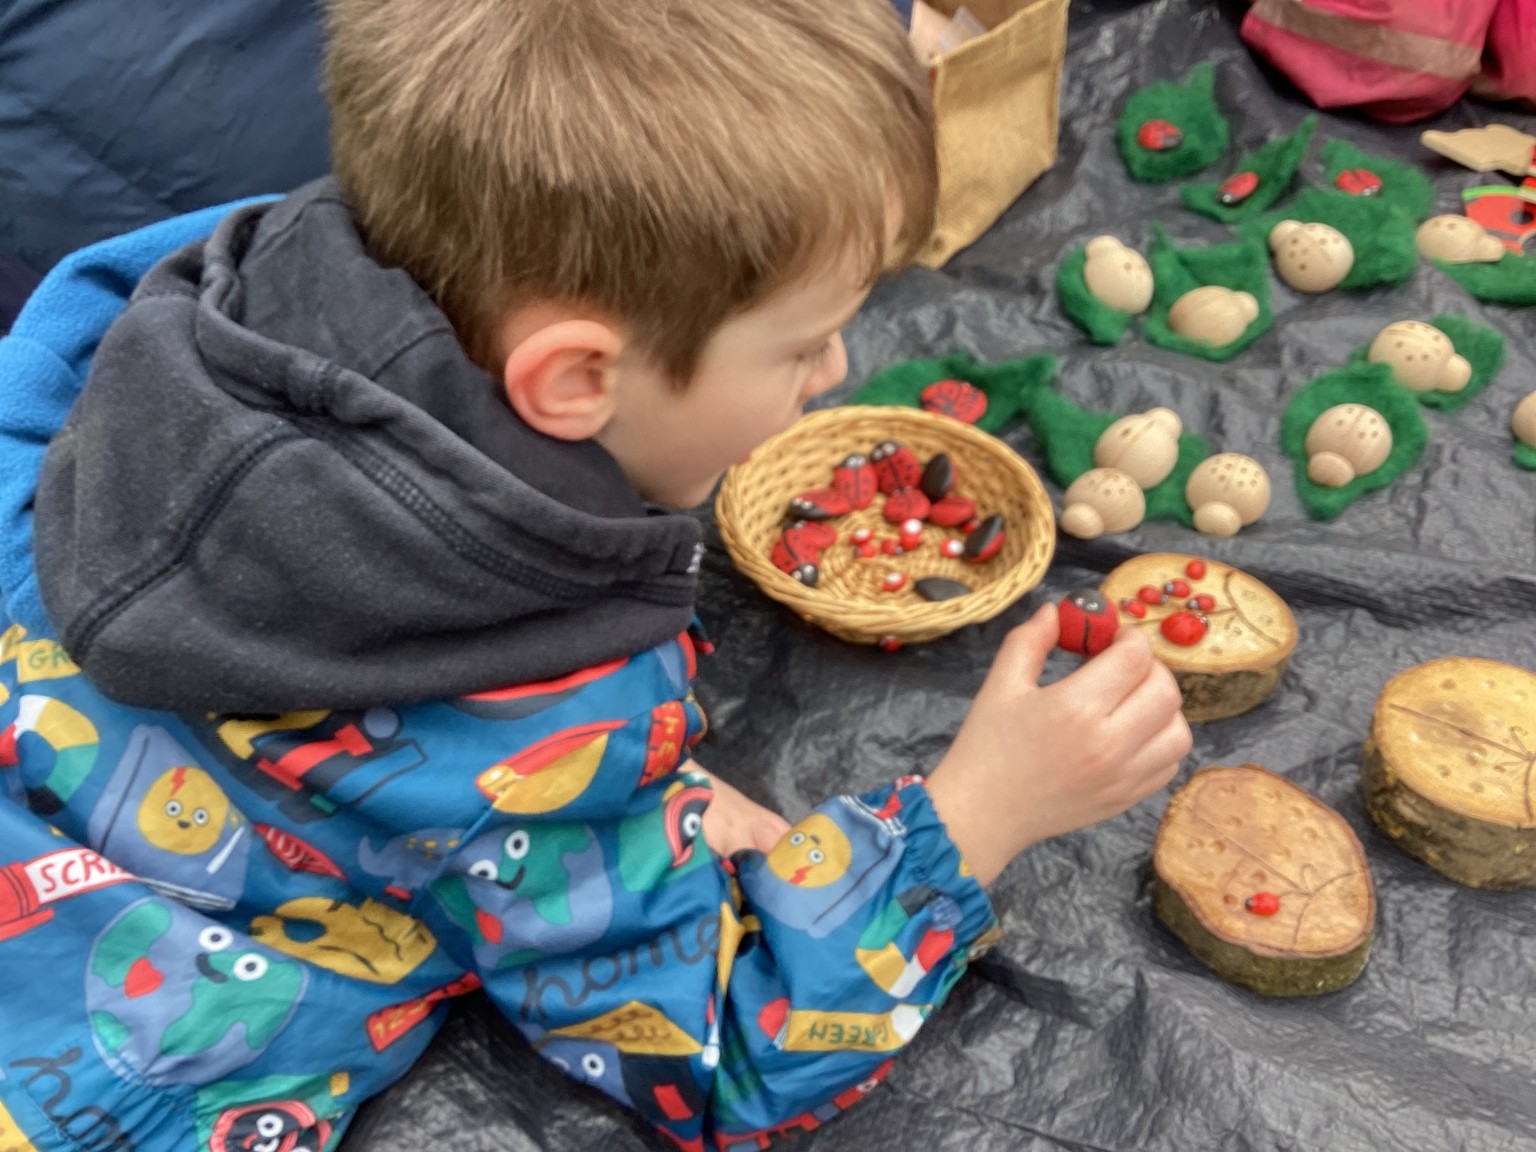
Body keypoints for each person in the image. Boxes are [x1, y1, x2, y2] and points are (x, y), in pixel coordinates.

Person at [0, 0, 1191, 1148]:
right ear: (573, 380)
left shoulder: (181, 304)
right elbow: (719, 1062)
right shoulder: (542, 716)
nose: (834, 370)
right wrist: (983, 809)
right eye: (801, 342)